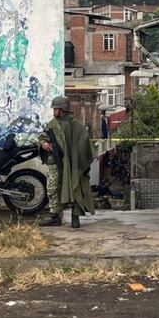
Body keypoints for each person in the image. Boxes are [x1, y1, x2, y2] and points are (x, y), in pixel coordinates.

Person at [38, 95, 96, 228]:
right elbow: (43, 137)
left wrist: (78, 160)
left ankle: (75, 217)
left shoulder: (76, 125)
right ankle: (55, 216)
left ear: (62, 109)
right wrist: (44, 144)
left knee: (76, 188)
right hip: (56, 163)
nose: (54, 112)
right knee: (53, 188)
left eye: (56, 109)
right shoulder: (53, 124)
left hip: (74, 165)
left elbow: (84, 144)